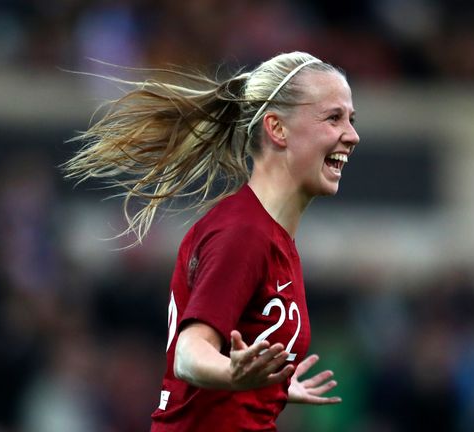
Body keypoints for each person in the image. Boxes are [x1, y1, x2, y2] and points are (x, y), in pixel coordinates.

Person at [64, 51, 360, 431]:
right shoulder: (244, 233)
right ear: (277, 128)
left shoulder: (269, 235)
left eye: (350, 120)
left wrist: (267, 390)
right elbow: (189, 354)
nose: (352, 135)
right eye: (333, 117)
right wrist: (234, 374)